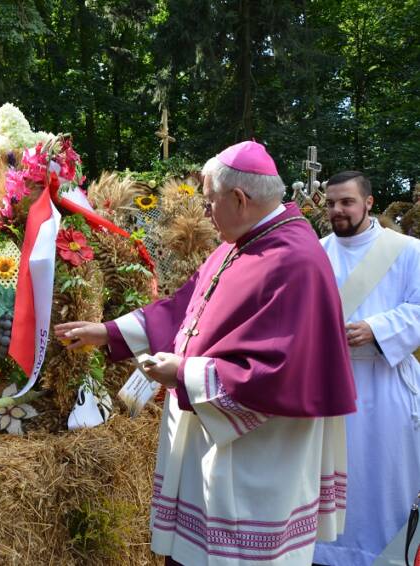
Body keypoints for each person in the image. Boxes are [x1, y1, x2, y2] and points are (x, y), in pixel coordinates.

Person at [55, 141, 357, 565]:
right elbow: (183, 306)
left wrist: (184, 374)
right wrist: (107, 333)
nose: (204, 212)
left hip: (256, 453)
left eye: (210, 201)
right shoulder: (240, 243)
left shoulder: (295, 261)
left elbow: (279, 372)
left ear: (239, 198)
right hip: (212, 442)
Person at [313, 172, 420, 566]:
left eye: (346, 202)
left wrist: (378, 328)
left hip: (385, 384)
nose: (337, 211)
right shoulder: (316, 253)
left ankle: (394, 556)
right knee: (337, 480)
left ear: (369, 203)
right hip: (330, 385)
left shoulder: (408, 250)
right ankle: (326, 555)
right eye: (330, 203)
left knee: (384, 479)